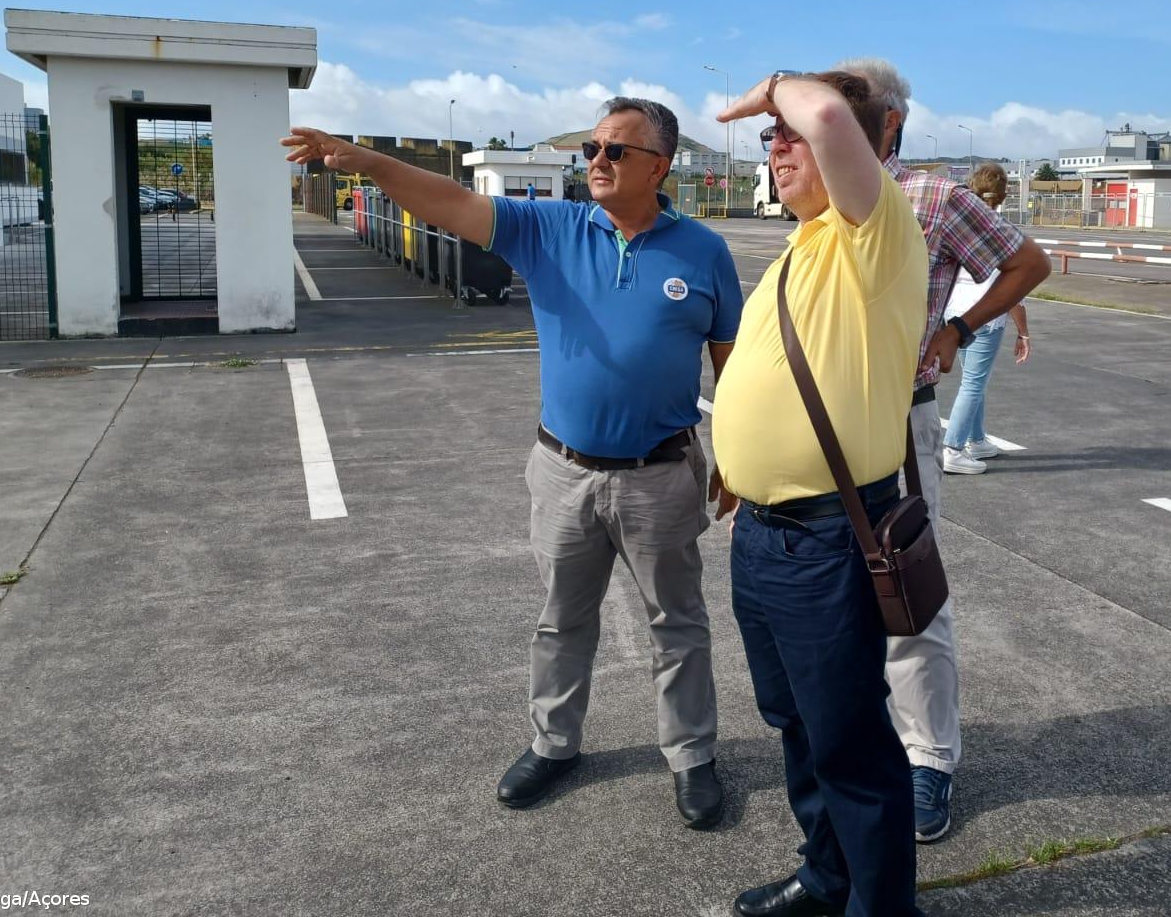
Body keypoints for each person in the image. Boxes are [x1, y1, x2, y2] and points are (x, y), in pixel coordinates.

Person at [282, 97, 742, 831]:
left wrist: (739, 458)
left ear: (659, 166)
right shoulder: (549, 228)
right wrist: (367, 161)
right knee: (562, 619)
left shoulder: (704, 252)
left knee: (677, 623)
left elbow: (731, 366)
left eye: (616, 151)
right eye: (592, 148)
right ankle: (555, 744)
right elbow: (449, 201)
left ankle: (691, 754)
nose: (597, 161)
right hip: (564, 472)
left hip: (660, 474)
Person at [712, 70, 929, 917]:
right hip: (764, 532)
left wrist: (770, 88)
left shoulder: (874, 231)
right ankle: (826, 876)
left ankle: (881, 906)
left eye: (789, 134)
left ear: (862, 151)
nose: (777, 146)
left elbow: (833, 111)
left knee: (848, 740)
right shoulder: (802, 244)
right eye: (772, 136)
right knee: (797, 722)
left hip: (828, 537)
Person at [834, 56, 1050, 841]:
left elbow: (1028, 261)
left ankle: (928, 757)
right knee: (835, 592)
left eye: (846, 104)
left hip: (900, 424)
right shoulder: (821, 194)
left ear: (890, 120)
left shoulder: (934, 197)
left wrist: (958, 328)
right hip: (825, 428)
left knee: (908, 589)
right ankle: (861, 738)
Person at [941, 163, 1032, 469]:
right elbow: (1012, 291)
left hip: (955, 313)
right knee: (973, 385)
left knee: (971, 380)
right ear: (1003, 195)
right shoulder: (1004, 232)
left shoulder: (959, 226)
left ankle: (976, 440)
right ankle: (952, 449)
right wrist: (1023, 333)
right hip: (986, 317)